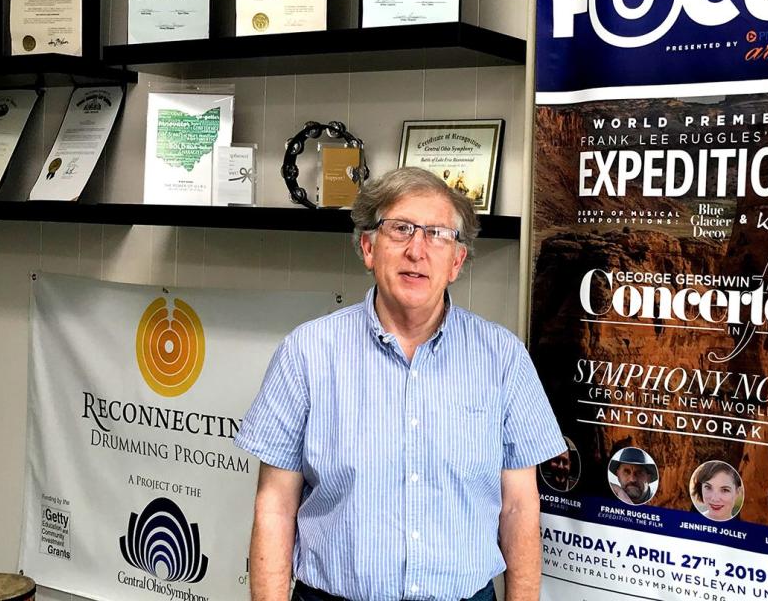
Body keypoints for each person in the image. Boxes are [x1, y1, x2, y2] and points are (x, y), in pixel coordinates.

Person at [235, 167, 565, 601]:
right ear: (369, 248)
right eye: (401, 229)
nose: (417, 250)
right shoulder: (306, 353)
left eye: (437, 234)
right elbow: (275, 506)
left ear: (456, 262)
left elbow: (520, 508)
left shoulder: (503, 359)